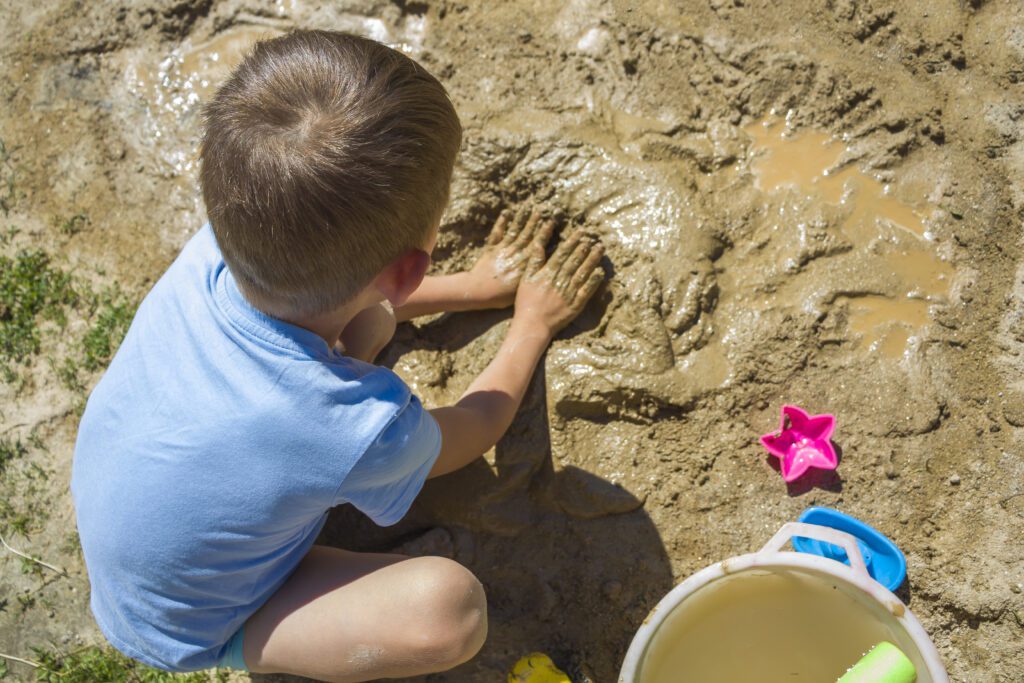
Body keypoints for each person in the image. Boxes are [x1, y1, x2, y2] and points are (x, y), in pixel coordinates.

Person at [70, 29, 605, 681]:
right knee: (452, 609)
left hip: (136, 520)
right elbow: (474, 429)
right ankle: (255, 652)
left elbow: (356, 296)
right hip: (192, 619)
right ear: (408, 270)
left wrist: (471, 288)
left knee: (368, 324)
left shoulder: (215, 247)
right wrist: (530, 323)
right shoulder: (355, 424)